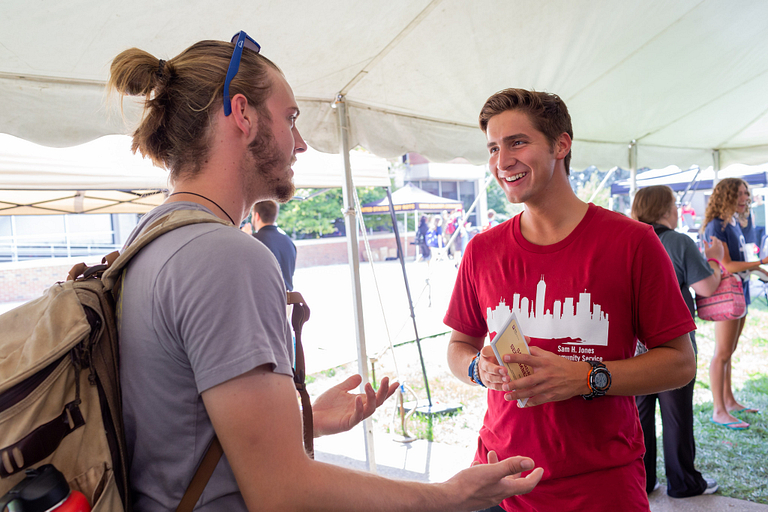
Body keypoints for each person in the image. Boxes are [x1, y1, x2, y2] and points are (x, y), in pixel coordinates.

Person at [109, 32, 542, 511]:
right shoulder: (226, 256)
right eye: (290, 119)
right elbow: (284, 491)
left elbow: (180, 428)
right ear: (243, 115)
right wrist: (447, 494)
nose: (300, 144)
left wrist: (304, 418)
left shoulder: (149, 236)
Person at [444, 88, 697, 512]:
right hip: (498, 477)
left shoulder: (632, 243)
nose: (501, 161)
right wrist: (478, 368)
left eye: (517, 142)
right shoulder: (481, 251)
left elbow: (679, 362)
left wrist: (585, 377)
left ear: (561, 144)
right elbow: (458, 346)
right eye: (493, 147)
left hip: (600, 484)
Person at [631, 186, 723, 497]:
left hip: (634, 348)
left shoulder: (629, 241)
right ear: (664, 208)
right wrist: (716, 261)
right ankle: (683, 482)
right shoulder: (679, 241)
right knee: (676, 418)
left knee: (640, 417)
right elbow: (707, 287)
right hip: (673, 345)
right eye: (674, 204)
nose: (676, 210)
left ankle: (642, 481)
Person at [702, 178, 768, 430]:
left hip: (740, 292)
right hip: (726, 296)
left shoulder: (733, 223)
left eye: (746, 193)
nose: (746, 198)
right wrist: (760, 264)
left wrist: (758, 268)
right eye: (739, 194)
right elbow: (726, 265)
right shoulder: (716, 226)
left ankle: (729, 401)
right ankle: (719, 410)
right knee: (721, 353)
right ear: (726, 196)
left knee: (729, 352)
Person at [251, 200, 296, 291]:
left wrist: (244, 237)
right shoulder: (288, 241)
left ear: (257, 216)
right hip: (288, 301)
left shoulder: (252, 241)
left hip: (266, 301)